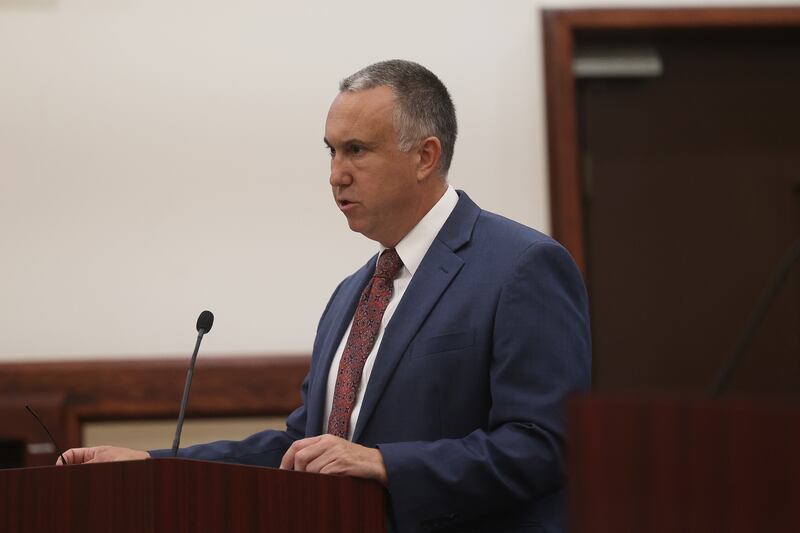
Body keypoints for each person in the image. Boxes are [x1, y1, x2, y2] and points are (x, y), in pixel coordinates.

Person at [60, 60, 591, 533]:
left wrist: (385, 464)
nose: (336, 175)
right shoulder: (353, 293)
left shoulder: (521, 266)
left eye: (357, 150)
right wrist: (152, 465)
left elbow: (545, 446)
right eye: (332, 151)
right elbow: (303, 449)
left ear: (426, 156)